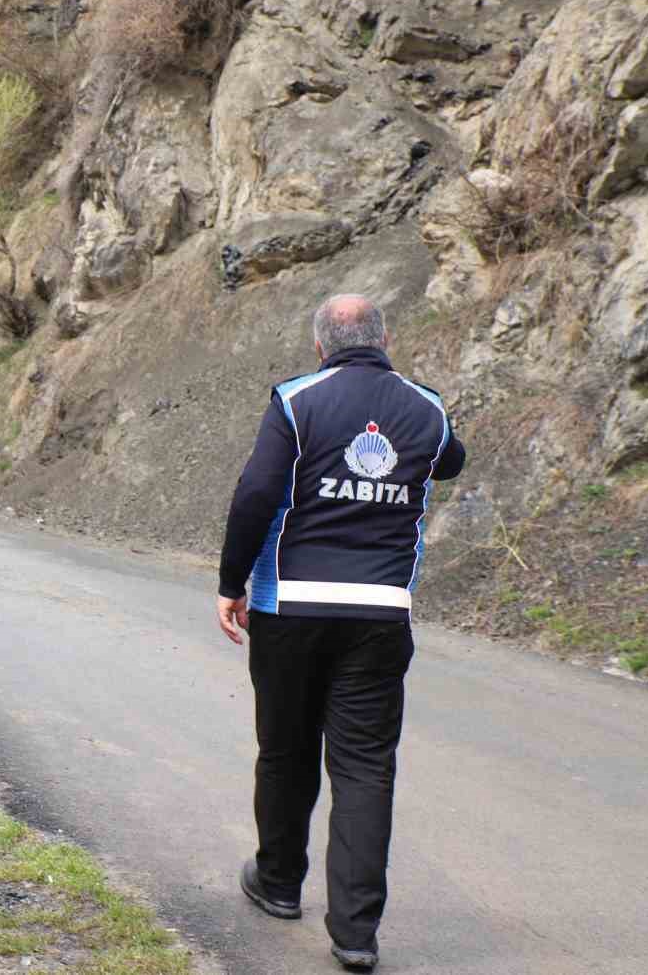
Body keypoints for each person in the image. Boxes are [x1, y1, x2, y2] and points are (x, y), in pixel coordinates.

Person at [216, 294, 466, 973]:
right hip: (380, 614)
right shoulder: (426, 407)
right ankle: (355, 934)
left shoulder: (297, 401)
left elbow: (256, 492)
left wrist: (229, 583)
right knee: (364, 768)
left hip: (290, 607)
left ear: (320, 346)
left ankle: (276, 883)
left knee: (286, 751)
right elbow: (451, 460)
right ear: (386, 337)